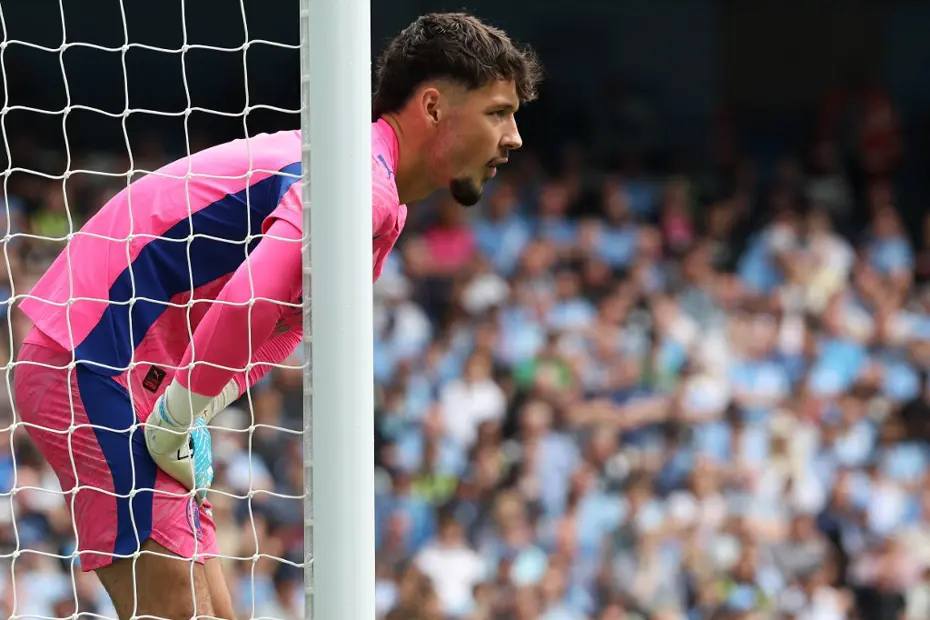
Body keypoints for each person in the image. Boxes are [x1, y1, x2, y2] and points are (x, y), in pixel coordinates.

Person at [12, 12, 541, 619]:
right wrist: (177, 420)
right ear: (432, 107)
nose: (514, 137)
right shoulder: (355, 182)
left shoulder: (372, 189)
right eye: (499, 112)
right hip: (98, 358)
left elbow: (261, 328)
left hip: (143, 373)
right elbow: (248, 301)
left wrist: (191, 413)